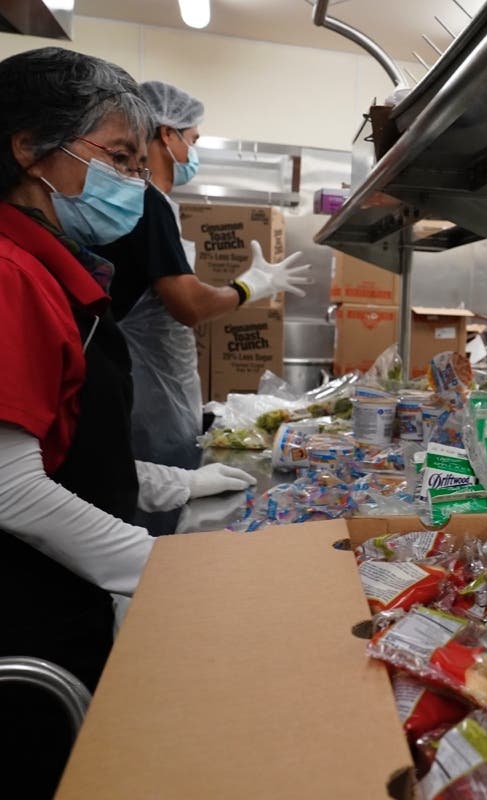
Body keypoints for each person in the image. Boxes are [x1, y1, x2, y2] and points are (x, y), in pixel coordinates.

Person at [0, 48, 255, 797]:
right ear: (29, 147)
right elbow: (10, 488)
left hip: (64, 600)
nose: (134, 186)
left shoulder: (52, 268)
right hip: (30, 634)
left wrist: (179, 482)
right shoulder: (11, 273)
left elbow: (62, 447)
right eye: (118, 159)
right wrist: (162, 569)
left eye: (139, 165)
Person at [96, 81, 311, 470]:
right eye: (192, 140)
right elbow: (189, 305)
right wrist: (249, 287)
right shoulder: (147, 203)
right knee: (158, 502)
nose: (192, 152)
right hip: (147, 395)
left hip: (158, 387)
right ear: (166, 134)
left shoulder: (153, 204)